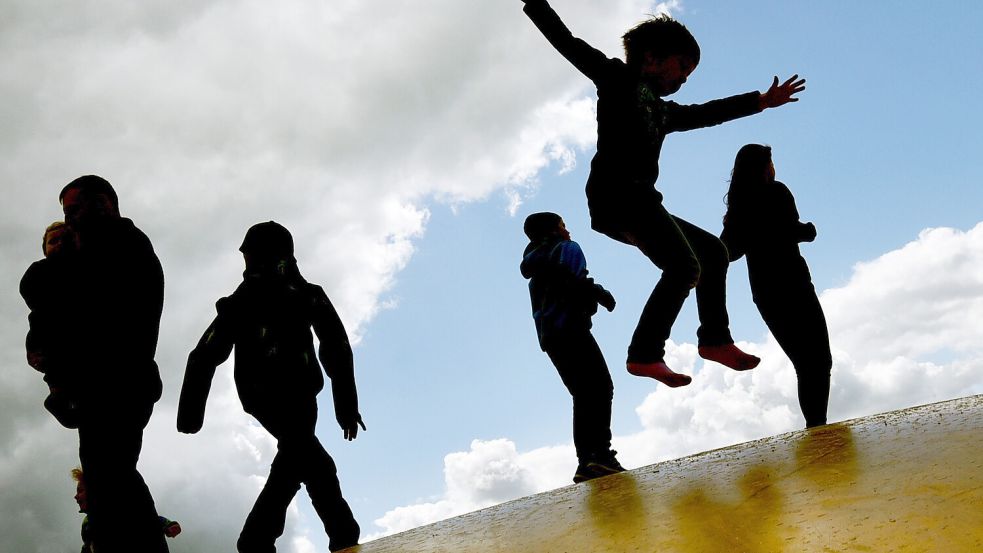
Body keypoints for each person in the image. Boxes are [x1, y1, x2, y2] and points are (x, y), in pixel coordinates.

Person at [521, 0, 806, 385]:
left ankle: (714, 339)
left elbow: (706, 113)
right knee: (685, 266)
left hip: (641, 204)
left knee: (713, 252)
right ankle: (644, 353)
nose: (685, 78)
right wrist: (534, 4)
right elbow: (566, 41)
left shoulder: (662, 111)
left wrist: (759, 102)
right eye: (682, 67)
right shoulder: (616, 78)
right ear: (652, 58)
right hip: (615, 197)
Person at [177, 221, 365, 553]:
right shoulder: (244, 301)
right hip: (268, 398)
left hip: (296, 394)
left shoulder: (301, 295)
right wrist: (190, 414)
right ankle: (330, 534)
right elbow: (204, 354)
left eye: (248, 254)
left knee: (298, 462)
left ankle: (260, 541)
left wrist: (346, 406)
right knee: (310, 460)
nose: (245, 261)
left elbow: (336, 345)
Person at [33, 175, 169, 552]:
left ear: (103, 204)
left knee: (110, 483)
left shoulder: (119, 246)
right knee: (111, 480)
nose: (70, 220)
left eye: (74, 210)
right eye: (66, 214)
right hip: (106, 389)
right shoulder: (105, 249)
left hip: (117, 386)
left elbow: (73, 304)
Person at [720, 144, 831, 427]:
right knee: (818, 361)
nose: (774, 167)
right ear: (764, 167)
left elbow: (729, 251)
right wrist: (808, 230)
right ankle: (817, 428)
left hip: (766, 292)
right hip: (793, 283)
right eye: (771, 162)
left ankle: (816, 427)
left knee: (806, 362)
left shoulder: (740, 206)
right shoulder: (776, 192)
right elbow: (791, 231)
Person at [520, 212, 623, 483]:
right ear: (553, 230)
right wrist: (599, 294)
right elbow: (573, 278)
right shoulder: (566, 248)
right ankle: (600, 456)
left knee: (583, 393)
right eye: (563, 225)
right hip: (572, 328)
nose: (568, 231)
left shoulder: (535, 264)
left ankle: (587, 461)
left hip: (550, 337)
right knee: (601, 388)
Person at [20, 221, 82, 428]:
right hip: (47, 334)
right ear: (45, 250)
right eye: (53, 241)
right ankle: (57, 396)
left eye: (66, 239)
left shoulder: (83, 267)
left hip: (74, 336)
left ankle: (65, 397)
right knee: (57, 369)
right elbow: (29, 291)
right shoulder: (40, 270)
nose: (60, 244)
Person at [72, 467, 182, 553]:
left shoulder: (121, 509)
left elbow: (148, 520)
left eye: (80, 491)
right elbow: (87, 546)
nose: (76, 497)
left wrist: (169, 525)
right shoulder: (87, 524)